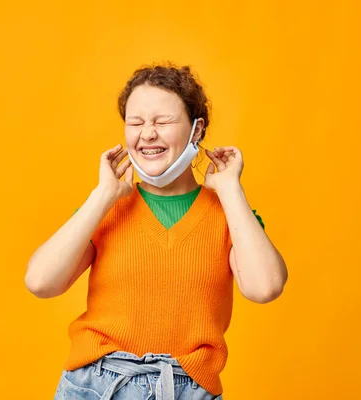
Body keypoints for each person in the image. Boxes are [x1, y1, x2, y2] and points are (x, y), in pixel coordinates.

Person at [25, 63, 288, 400]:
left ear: (197, 130)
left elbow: (265, 287)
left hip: (189, 390)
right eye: (135, 123)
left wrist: (230, 190)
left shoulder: (230, 215)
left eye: (163, 122)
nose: (147, 134)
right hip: (96, 386)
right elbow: (40, 282)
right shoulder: (107, 209)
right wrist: (103, 194)